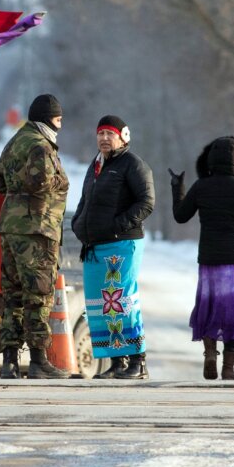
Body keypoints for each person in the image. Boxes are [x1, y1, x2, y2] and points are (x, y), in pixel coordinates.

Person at [170, 136, 234, 381]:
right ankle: (229, 366)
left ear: (210, 159)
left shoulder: (202, 186)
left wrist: (177, 187)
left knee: (210, 307)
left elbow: (181, 216)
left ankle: (210, 354)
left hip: (210, 259)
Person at [0, 94, 72, 380]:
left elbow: (0, 182)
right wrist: (61, 181)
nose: (60, 125)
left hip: (10, 227)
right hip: (36, 229)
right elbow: (40, 183)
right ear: (47, 118)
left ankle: (9, 362)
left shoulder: (14, 141)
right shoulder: (40, 145)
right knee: (38, 293)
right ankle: (39, 361)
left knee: (12, 295)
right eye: (58, 119)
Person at [72, 115, 155, 379]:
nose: (104, 139)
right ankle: (118, 362)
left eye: (110, 134)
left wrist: (116, 225)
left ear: (123, 137)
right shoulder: (95, 166)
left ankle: (138, 362)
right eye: (100, 134)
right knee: (99, 305)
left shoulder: (133, 164)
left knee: (121, 302)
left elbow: (146, 202)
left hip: (121, 244)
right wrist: (78, 223)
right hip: (95, 246)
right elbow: (86, 200)